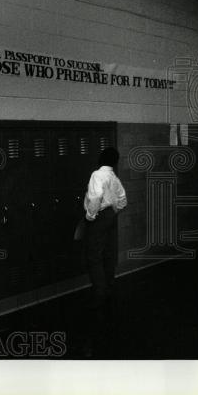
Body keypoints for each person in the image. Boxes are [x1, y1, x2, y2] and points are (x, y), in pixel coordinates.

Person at [82, 147, 127, 357]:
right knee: (108, 253)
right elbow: (123, 199)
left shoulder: (97, 175)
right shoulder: (113, 176)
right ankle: (108, 286)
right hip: (110, 217)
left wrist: (91, 216)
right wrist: (114, 211)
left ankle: (99, 292)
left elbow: (96, 196)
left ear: (101, 158)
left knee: (94, 255)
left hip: (99, 218)